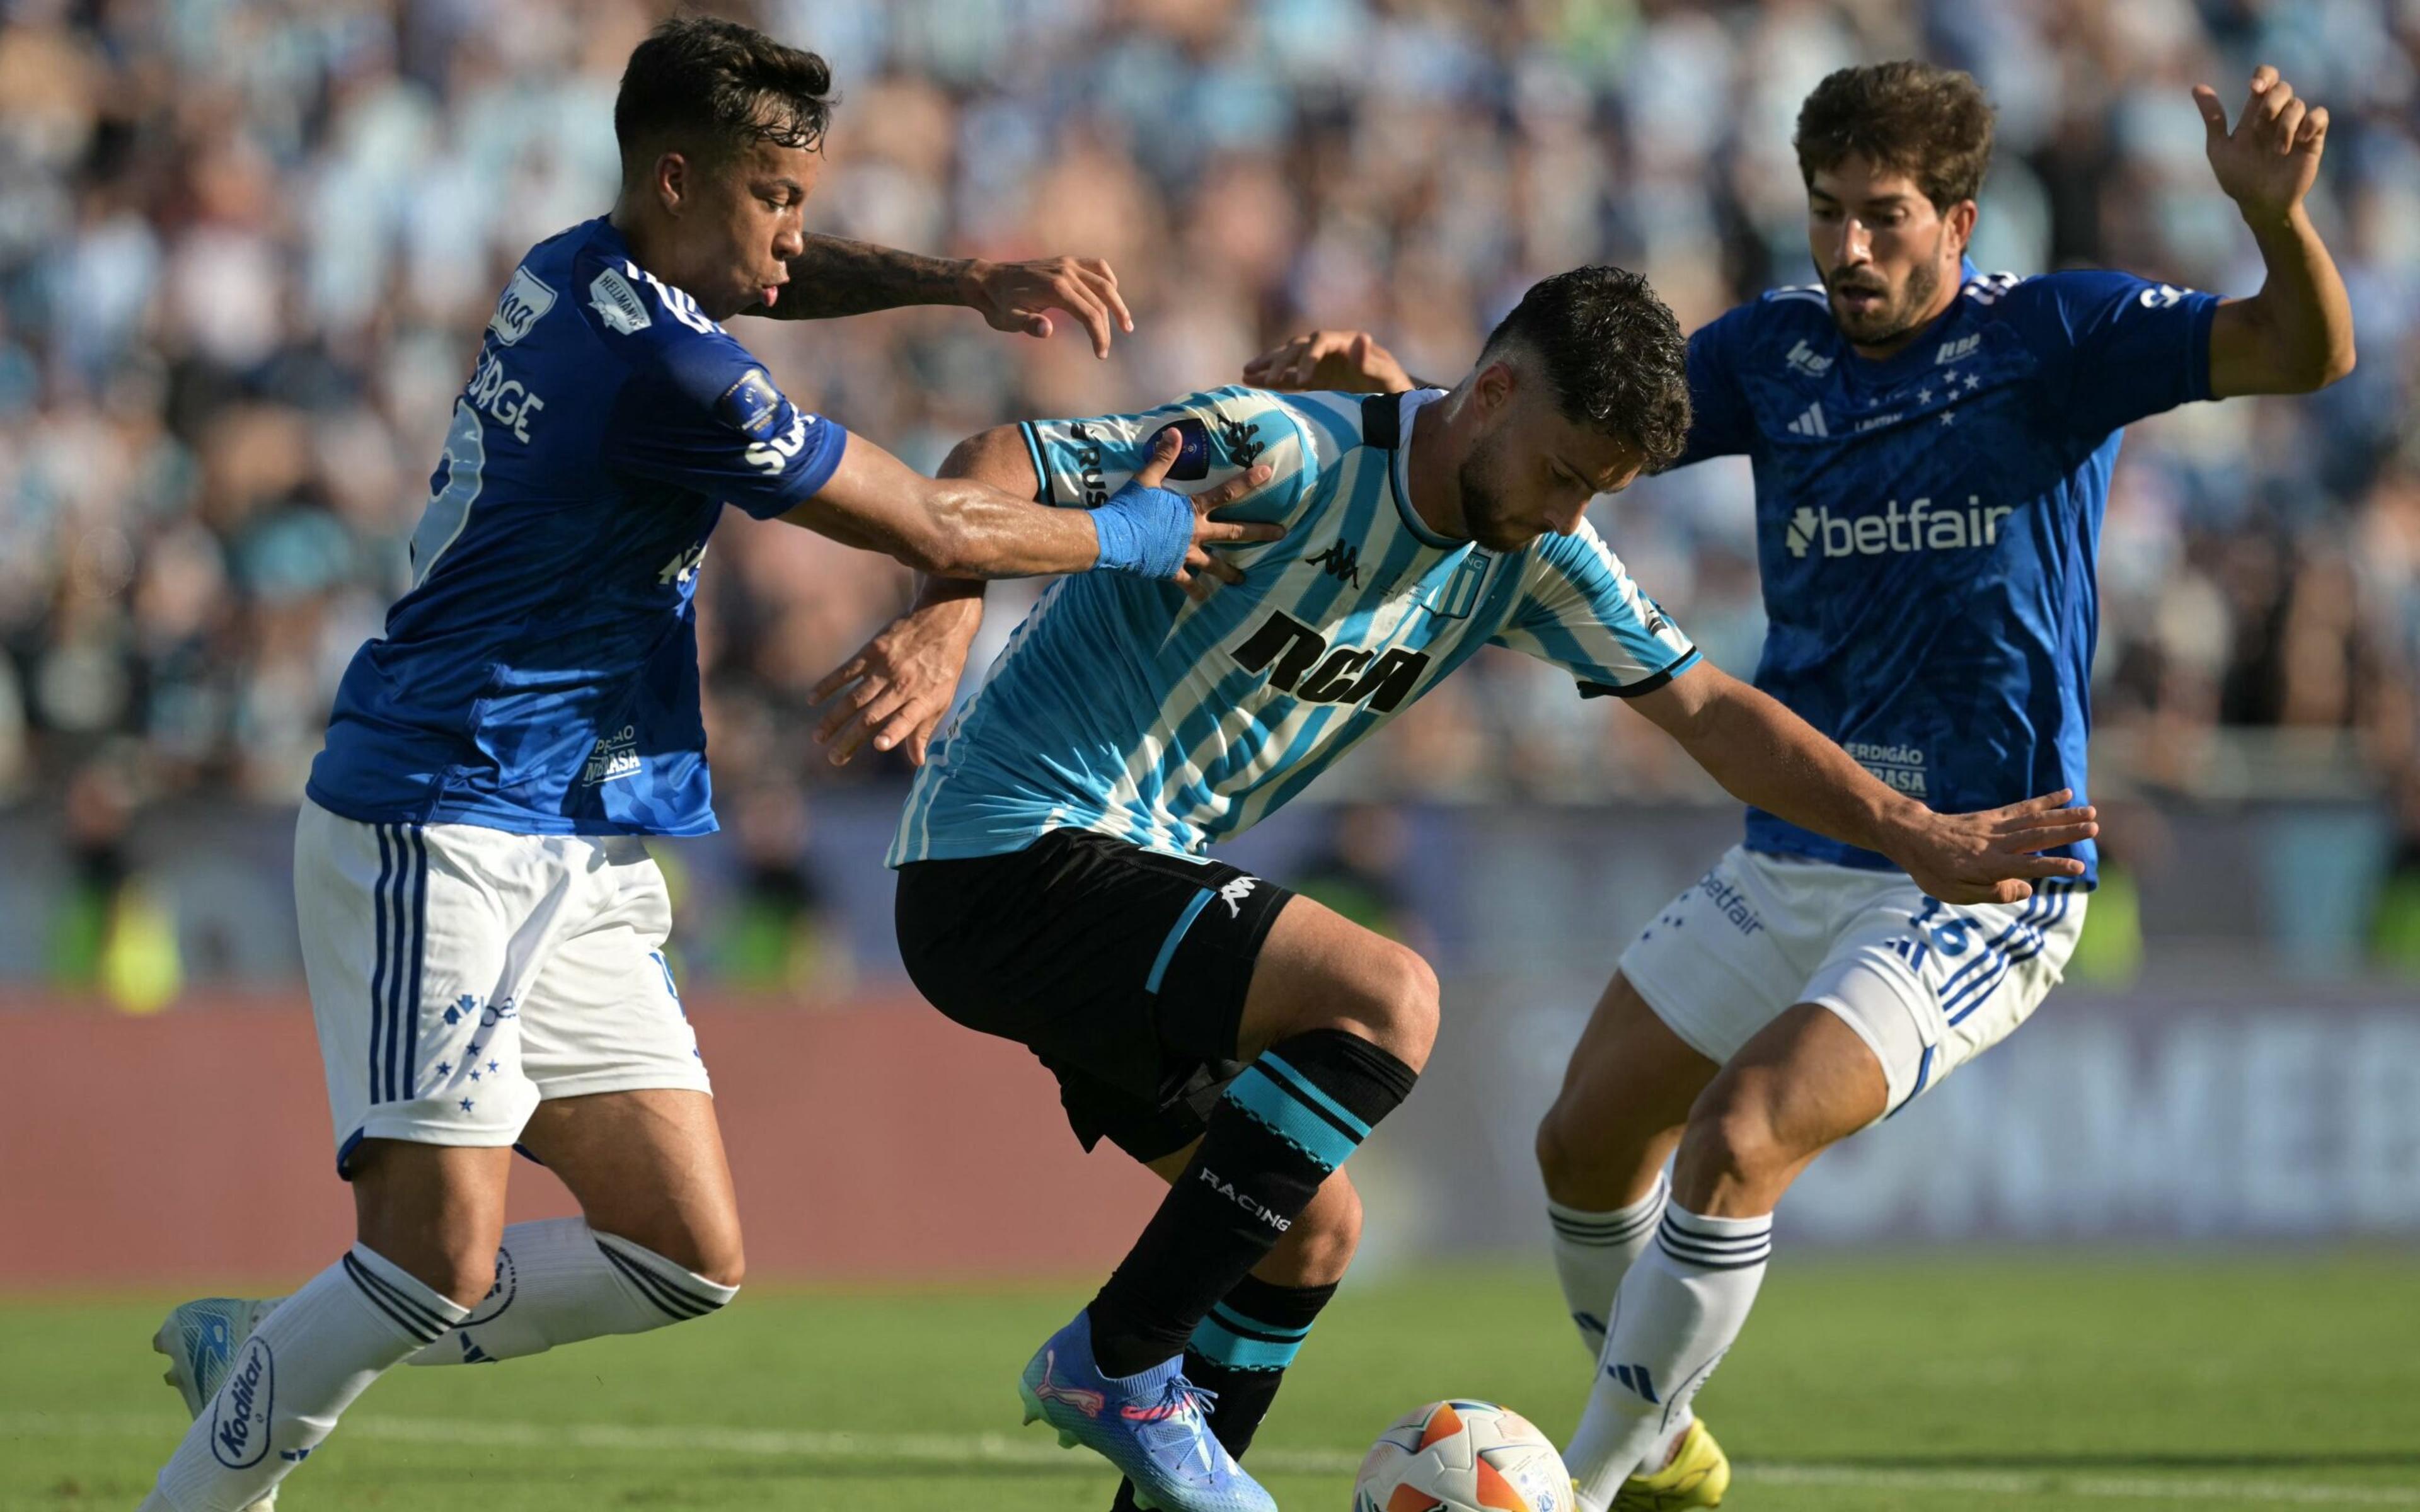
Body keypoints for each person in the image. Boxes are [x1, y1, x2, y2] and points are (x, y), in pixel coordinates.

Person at [135, 16, 1277, 1512]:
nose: (795, 235)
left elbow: (777, 280)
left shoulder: (577, 261)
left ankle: (278, 1346)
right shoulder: (671, 376)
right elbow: (929, 527)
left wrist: (956, 277)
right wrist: (1129, 536)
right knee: (427, 1262)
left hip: (583, 832)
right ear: (680, 180)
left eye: (803, 196)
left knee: (681, 1255)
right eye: (773, 197)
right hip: (448, 813)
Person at [1244, 59, 2353, 1510]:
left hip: (1981, 867)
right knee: (1582, 1143)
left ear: (1959, 219)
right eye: (1827, 214)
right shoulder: (1775, 353)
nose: (1848, 250)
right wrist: (1408, 396)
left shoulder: (2060, 336)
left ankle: (1581, 1486)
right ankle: (1667, 1439)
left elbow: (2300, 352)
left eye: (1884, 218)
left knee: (1744, 1133)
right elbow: (1586, 427)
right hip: (1797, 850)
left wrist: (2277, 221)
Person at [819, 264, 2096, 1512]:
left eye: (1595, 493)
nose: (1564, 512)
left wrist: (1913, 833)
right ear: (1489, 393)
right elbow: (997, 458)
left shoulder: (1536, 559)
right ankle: (1112, 1358)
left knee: (1307, 1235)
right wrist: (945, 614)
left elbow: (1709, 710)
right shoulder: (1283, 454)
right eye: (1561, 474)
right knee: (1390, 997)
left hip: (1123, 885)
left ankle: (1148, 1423)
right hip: (1004, 852)